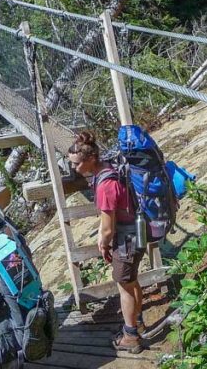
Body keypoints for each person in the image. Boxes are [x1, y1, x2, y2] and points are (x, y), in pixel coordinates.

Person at [67, 132, 144, 354]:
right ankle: (137, 322)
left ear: (91, 159)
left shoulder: (105, 186)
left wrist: (103, 243)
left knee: (124, 285)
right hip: (136, 232)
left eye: (76, 164)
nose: (74, 168)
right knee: (131, 279)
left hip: (127, 239)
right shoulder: (109, 168)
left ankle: (131, 337)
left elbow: (108, 227)